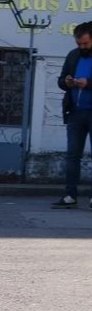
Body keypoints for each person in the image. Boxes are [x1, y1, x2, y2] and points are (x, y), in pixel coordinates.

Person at [53, 21, 92, 209]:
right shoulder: (73, 55)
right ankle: (70, 195)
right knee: (72, 155)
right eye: (79, 44)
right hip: (75, 112)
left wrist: (88, 83)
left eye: (86, 43)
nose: (82, 47)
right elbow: (61, 80)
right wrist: (67, 82)